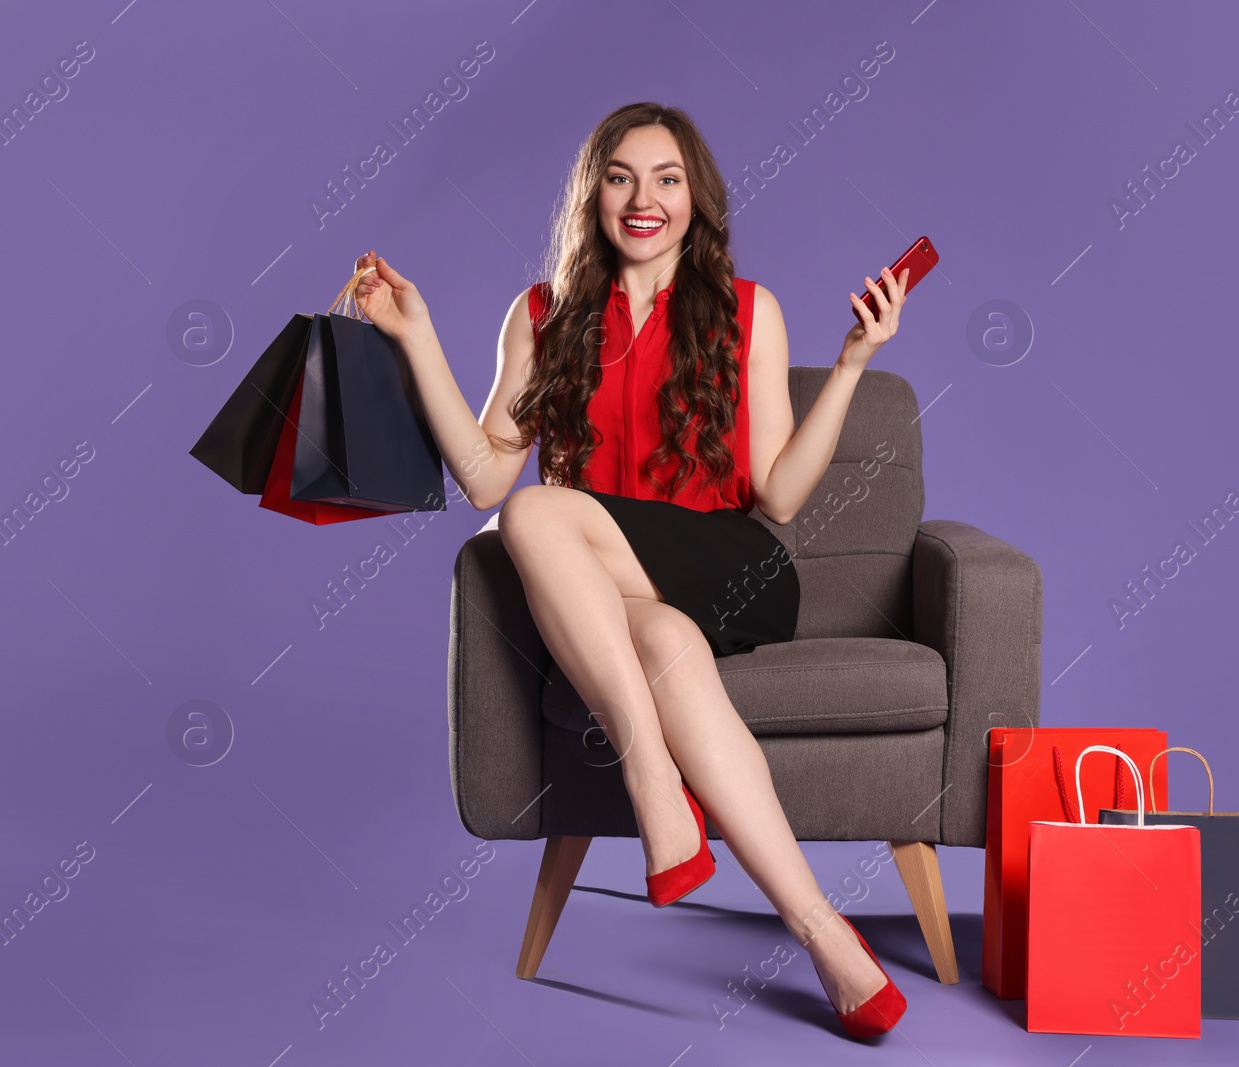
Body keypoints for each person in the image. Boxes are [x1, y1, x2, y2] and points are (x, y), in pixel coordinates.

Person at [351, 101, 913, 1040]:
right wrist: (415, 339)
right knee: (661, 641)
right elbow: (486, 470)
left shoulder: (747, 310)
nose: (642, 198)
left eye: (667, 179)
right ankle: (826, 936)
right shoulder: (542, 315)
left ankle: (654, 780)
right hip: (622, 602)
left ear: (697, 200)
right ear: (593, 194)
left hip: (735, 569)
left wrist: (853, 361)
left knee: (534, 512)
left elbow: (776, 496)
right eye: (620, 176)